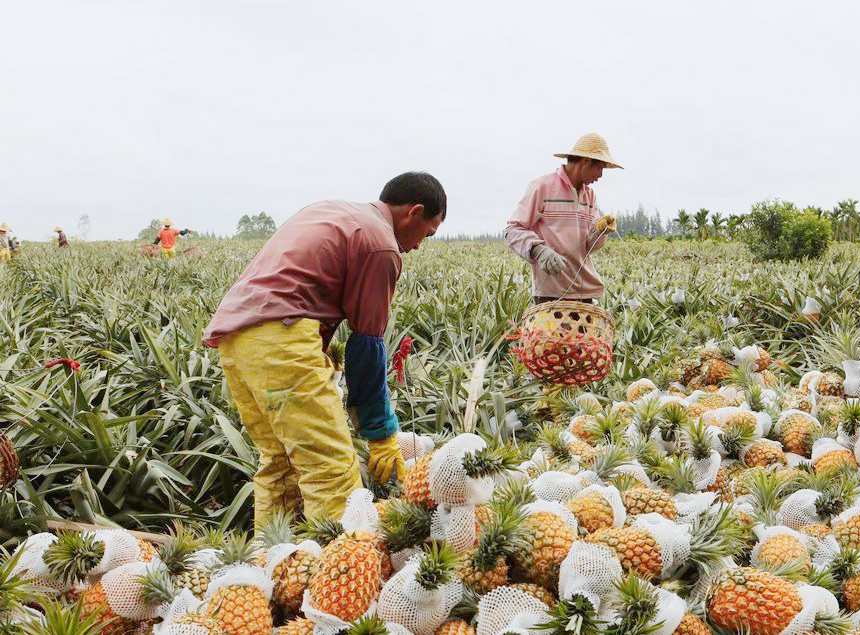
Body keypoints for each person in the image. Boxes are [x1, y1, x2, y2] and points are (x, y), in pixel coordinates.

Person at [202, 172, 446, 527]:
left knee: (280, 462)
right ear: (415, 212)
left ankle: (270, 564)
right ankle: (338, 567)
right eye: (428, 232)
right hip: (281, 338)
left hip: (237, 339)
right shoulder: (381, 244)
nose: (420, 244)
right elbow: (368, 345)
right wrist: (380, 434)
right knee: (331, 467)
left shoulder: (332, 210)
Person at [505, 133, 621, 304]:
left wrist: (600, 230)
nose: (601, 175)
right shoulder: (542, 187)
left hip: (584, 293)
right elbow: (512, 230)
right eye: (601, 168)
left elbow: (589, 247)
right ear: (586, 162)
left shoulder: (589, 196)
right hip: (550, 294)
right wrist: (539, 251)